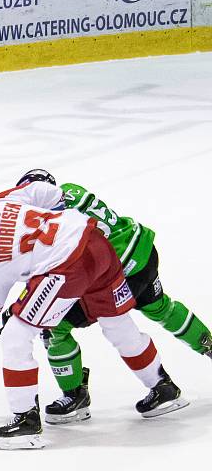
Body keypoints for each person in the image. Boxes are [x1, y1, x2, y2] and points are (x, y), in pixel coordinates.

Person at [0, 180, 188, 450]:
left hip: (68, 268)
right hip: (95, 243)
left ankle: (25, 422)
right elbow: (45, 191)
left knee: (16, 335)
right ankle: (163, 388)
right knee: (116, 322)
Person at [14, 169, 211, 424]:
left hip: (115, 273)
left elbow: (60, 267)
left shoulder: (51, 219)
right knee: (159, 306)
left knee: (56, 327)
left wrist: (28, 305)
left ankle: (76, 396)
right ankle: (206, 343)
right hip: (141, 250)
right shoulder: (71, 188)